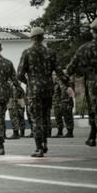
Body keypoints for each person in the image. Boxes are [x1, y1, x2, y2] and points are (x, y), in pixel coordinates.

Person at [17, 27, 73, 157]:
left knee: (36, 119)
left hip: (34, 91)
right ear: (43, 37)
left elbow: (19, 74)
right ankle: (45, 142)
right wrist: (68, 85)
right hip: (48, 90)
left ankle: (39, 147)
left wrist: (28, 83)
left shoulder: (27, 53)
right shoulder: (51, 53)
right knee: (45, 116)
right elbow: (60, 72)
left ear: (31, 38)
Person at [66, 19, 97, 160]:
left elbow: (70, 68)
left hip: (96, 86)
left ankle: (95, 137)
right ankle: (92, 137)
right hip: (94, 86)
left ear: (93, 32)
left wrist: (68, 80)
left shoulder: (85, 48)